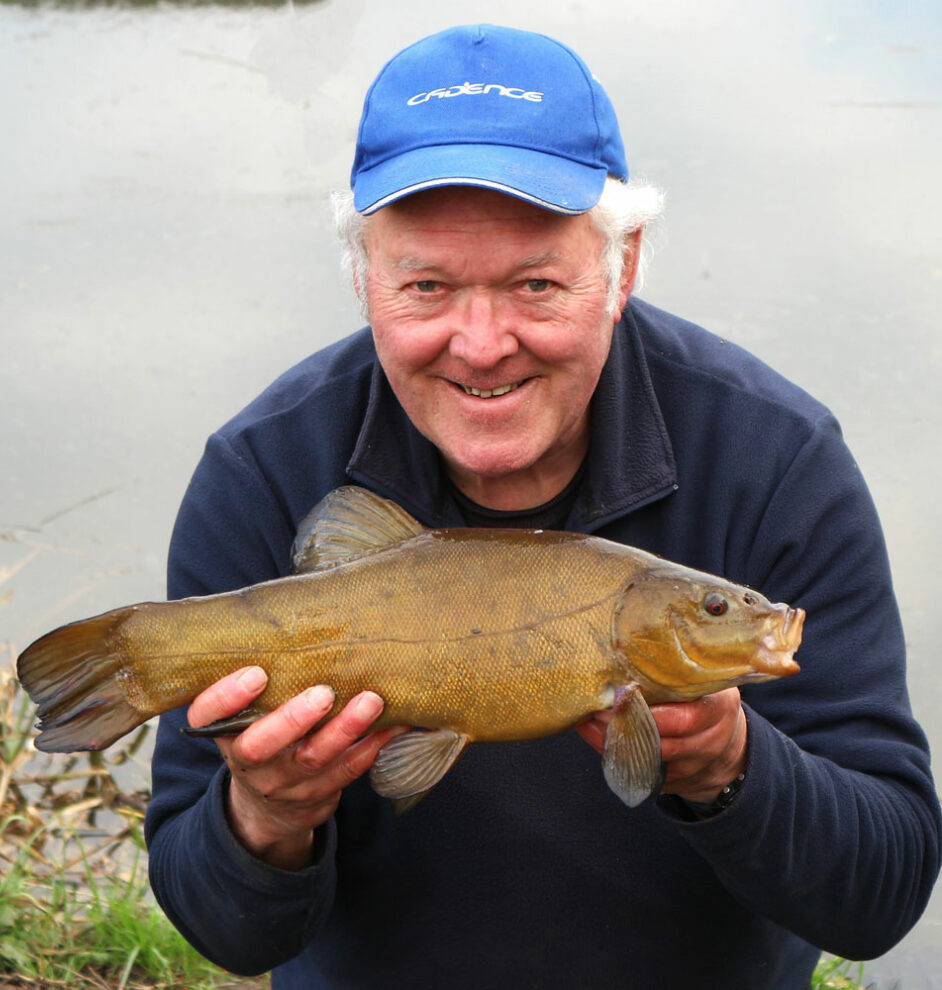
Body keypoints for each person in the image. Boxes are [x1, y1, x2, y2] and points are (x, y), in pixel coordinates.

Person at [144, 24, 941, 989]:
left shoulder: (776, 461)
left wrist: (732, 766)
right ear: (365, 280)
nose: (482, 346)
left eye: (536, 285)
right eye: (427, 286)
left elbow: (883, 897)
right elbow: (226, 938)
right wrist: (265, 818)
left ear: (623, 268)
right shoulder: (263, 469)